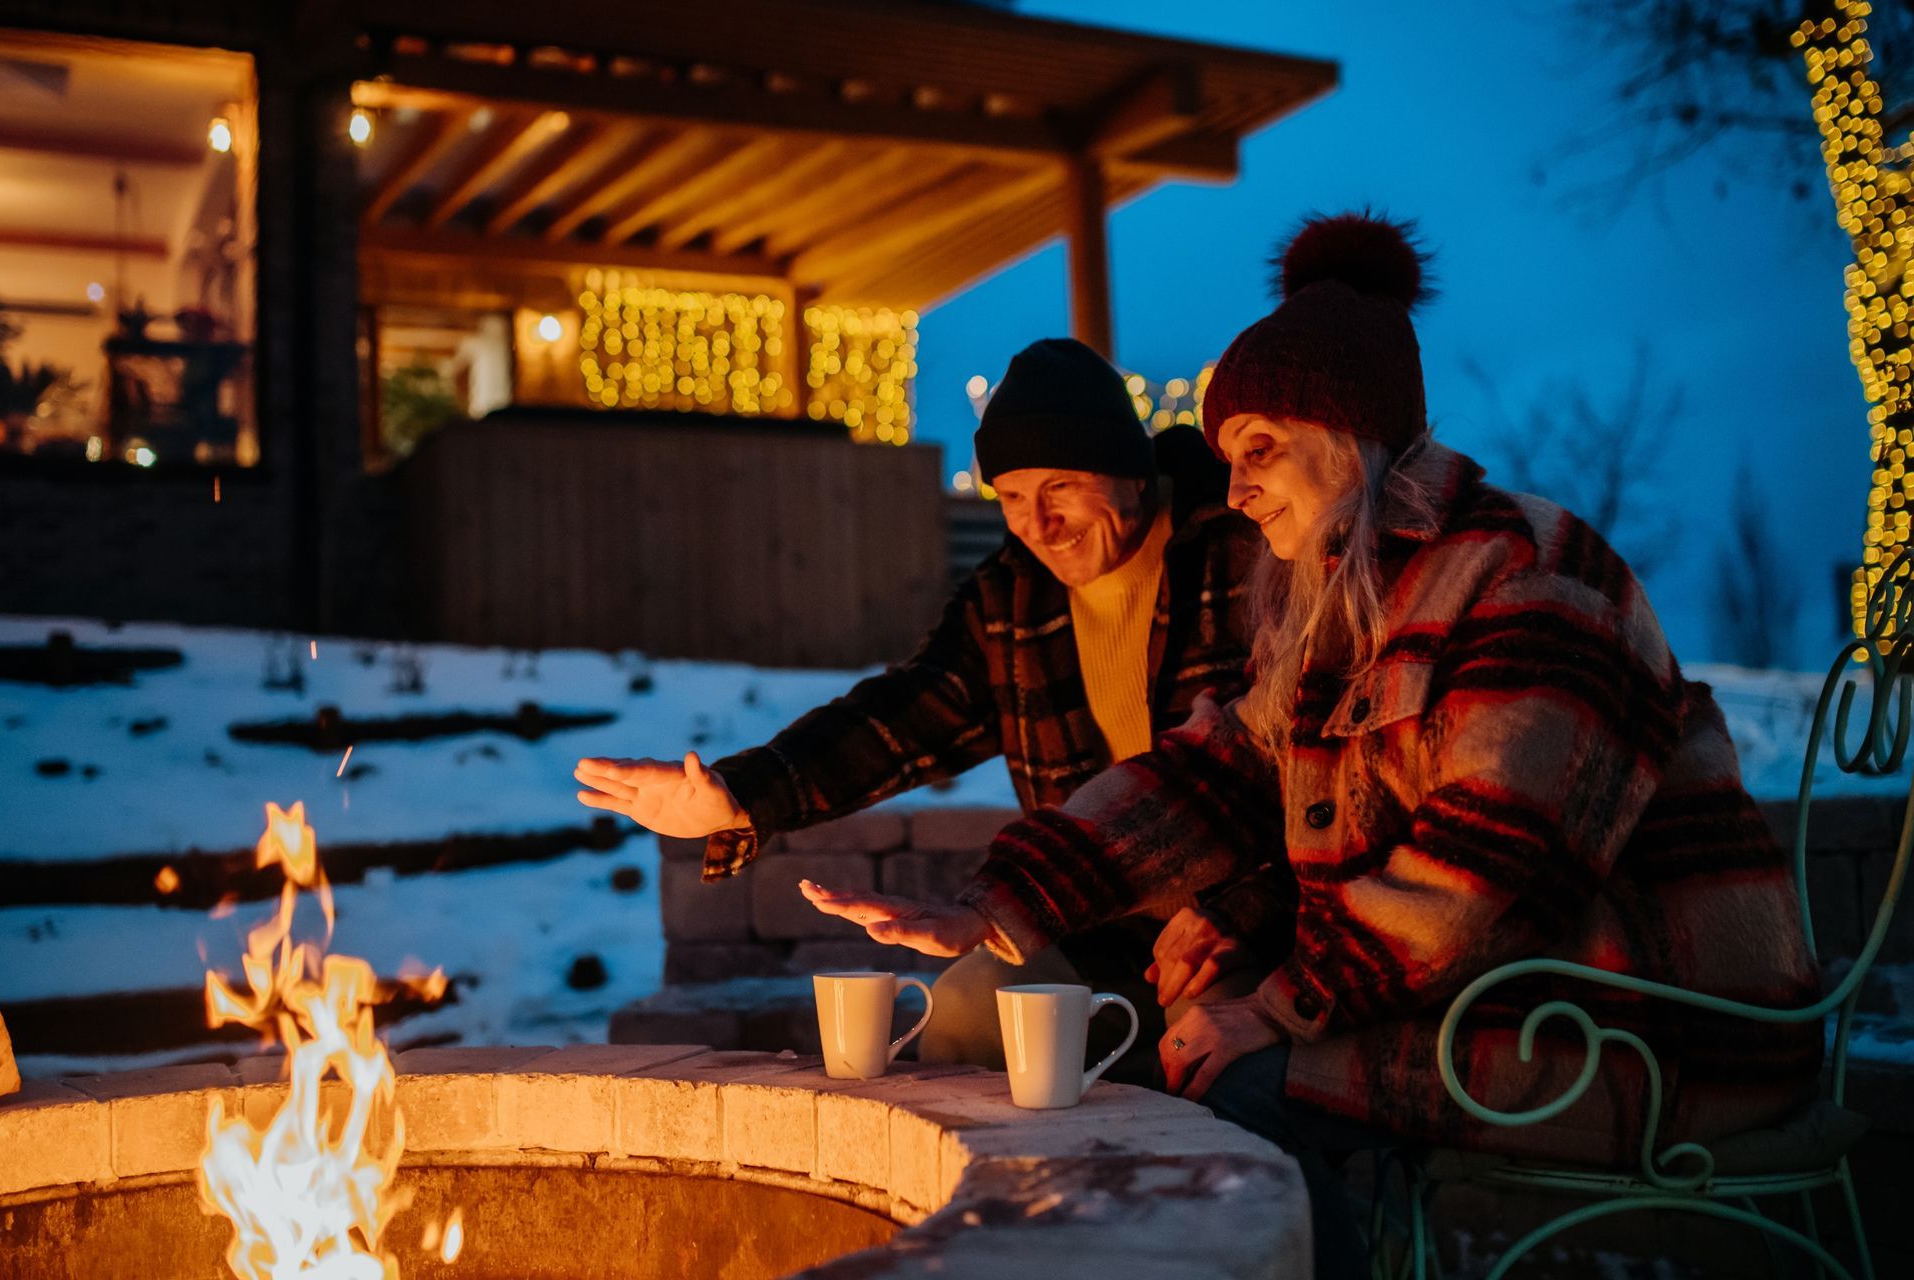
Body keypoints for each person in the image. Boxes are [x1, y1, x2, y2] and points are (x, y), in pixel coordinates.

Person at [800, 214, 1821, 1278]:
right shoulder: (1349, 607)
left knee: (1232, 1100)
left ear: (1347, 438)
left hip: (1640, 1024)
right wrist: (1001, 898)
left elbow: (1489, 872)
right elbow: (1218, 766)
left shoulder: (1531, 574)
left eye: (1256, 453)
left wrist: (1276, 1007)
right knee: (1164, 1060)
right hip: (1490, 997)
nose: (1232, 491)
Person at [576, 337, 1288, 1074]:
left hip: (1237, 918)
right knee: (968, 1016)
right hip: (1080, 914)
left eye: (1060, 488)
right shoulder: (1013, 598)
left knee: (1213, 1049)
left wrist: (1250, 908)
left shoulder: (1245, 555)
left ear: (1133, 476)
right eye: (1012, 497)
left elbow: (1292, 769)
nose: (1038, 525)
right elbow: (902, 719)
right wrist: (738, 795)